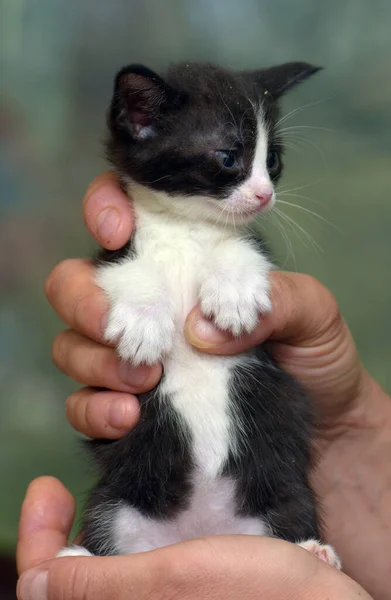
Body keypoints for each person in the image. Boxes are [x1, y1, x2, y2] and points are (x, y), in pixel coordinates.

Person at [16, 173, 391, 600]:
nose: (265, 188)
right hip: (150, 505)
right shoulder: (137, 243)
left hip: (258, 507)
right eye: (230, 158)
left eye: (270, 162)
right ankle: (111, 559)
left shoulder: (234, 251)